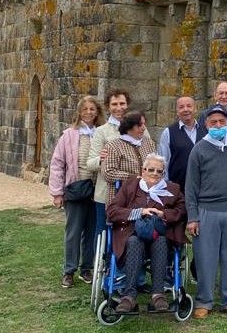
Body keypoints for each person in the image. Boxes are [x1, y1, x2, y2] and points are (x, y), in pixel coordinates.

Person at [186, 104, 227, 319]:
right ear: (206, 124)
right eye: (213, 122)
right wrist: (193, 217)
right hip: (207, 210)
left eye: (221, 122)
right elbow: (191, 187)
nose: (217, 125)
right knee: (206, 258)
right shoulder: (199, 149)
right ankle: (204, 301)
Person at [106, 154, 186, 313]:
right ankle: (128, 296)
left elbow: (182, 211)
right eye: (151, 169)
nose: (155, 173)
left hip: (159, 235)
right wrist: (139, 212)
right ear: (143, 170)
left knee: (161, 241)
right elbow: (112, 211)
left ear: (163, 173)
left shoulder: (173, 189)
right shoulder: (130, 186)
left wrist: (163, 215)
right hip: (132, 234)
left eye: (159, 171)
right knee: (135, 241)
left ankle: (158, 295)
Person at [48, 95, 105, 288]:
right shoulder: (70, 135)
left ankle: (86, 269)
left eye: (92, 109)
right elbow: (57, 164)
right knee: (73, 231)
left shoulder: (101, 133)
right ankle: (69, 270)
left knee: (91, 231)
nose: (89, 112)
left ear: (97, 112)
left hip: (97, 190)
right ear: (79, 112)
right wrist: (57, 193)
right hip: (76, 188)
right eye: (85, 109)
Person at [87, 89, 151, 235]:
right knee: (103, 230)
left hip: (135, 192)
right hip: (108, 191)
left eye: (122, 103)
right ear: (108, 107)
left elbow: (147, 151)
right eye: (114, 104)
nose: (118, 107)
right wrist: (102, 159)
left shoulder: (141, 128)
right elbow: (90, 163)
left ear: (127, 105)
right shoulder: (102, 131)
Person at [101, 111, 157, 204]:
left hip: (145, 197)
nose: (143, 128)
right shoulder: (113, 146)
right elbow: (108, 173)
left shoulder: (149, 143)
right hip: (121, 198)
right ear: (129, 127)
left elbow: (156, 165)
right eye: (139, 125)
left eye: (144, 124)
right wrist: (134, 177)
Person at [157, 96, 202, 193]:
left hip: (204, 187)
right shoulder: (168, 132)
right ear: (177, 111)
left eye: (189, 106)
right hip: (178, 189)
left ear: (195, 109)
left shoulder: (206, 130)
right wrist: (167, 187)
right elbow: (163, 162)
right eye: (181, 107)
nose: (185, 109)